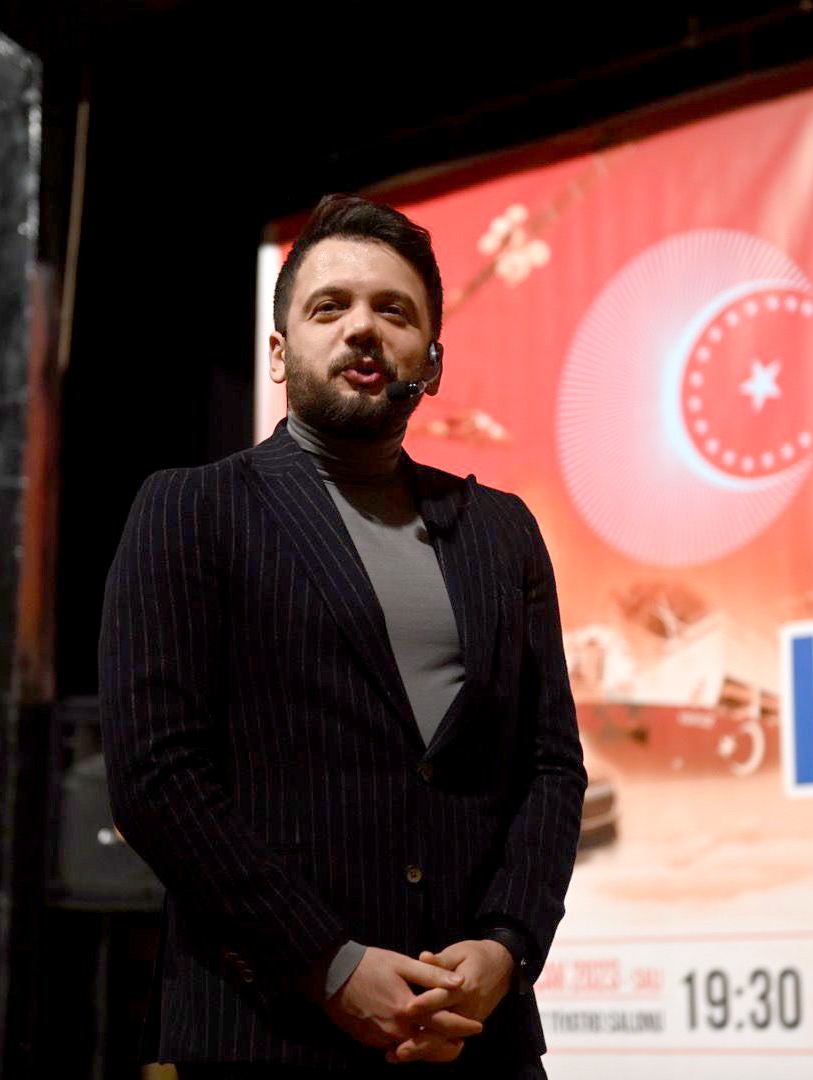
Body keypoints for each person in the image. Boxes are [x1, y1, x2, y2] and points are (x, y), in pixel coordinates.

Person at [99, 193, 585, 1077]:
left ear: (432, 361)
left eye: (393, 311)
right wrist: (328, 965)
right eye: (330, 307)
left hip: (476, 1038)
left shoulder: (501, 530)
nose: (363, 328)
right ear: (278, 353)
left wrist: (507, 946)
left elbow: (550, 766)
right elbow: (156, 779)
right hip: (266, 1032)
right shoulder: (188, 508)